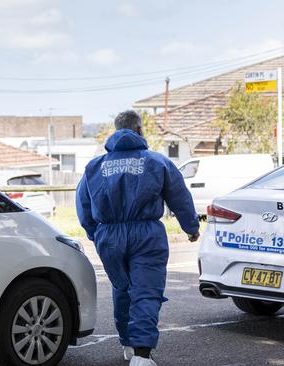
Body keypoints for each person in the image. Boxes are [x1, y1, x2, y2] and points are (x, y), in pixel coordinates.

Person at [76, 110, 200, 366]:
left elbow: (83, 205)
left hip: (109, 238)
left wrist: (95, 233)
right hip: (146, 236)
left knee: (122, 290)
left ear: (115, 130)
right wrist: (191, 228)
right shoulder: (156, 162)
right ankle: (142, 355)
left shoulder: (95, 166)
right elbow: (179, 196)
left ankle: (127, 344)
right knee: (146, 292)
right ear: (140, 131)